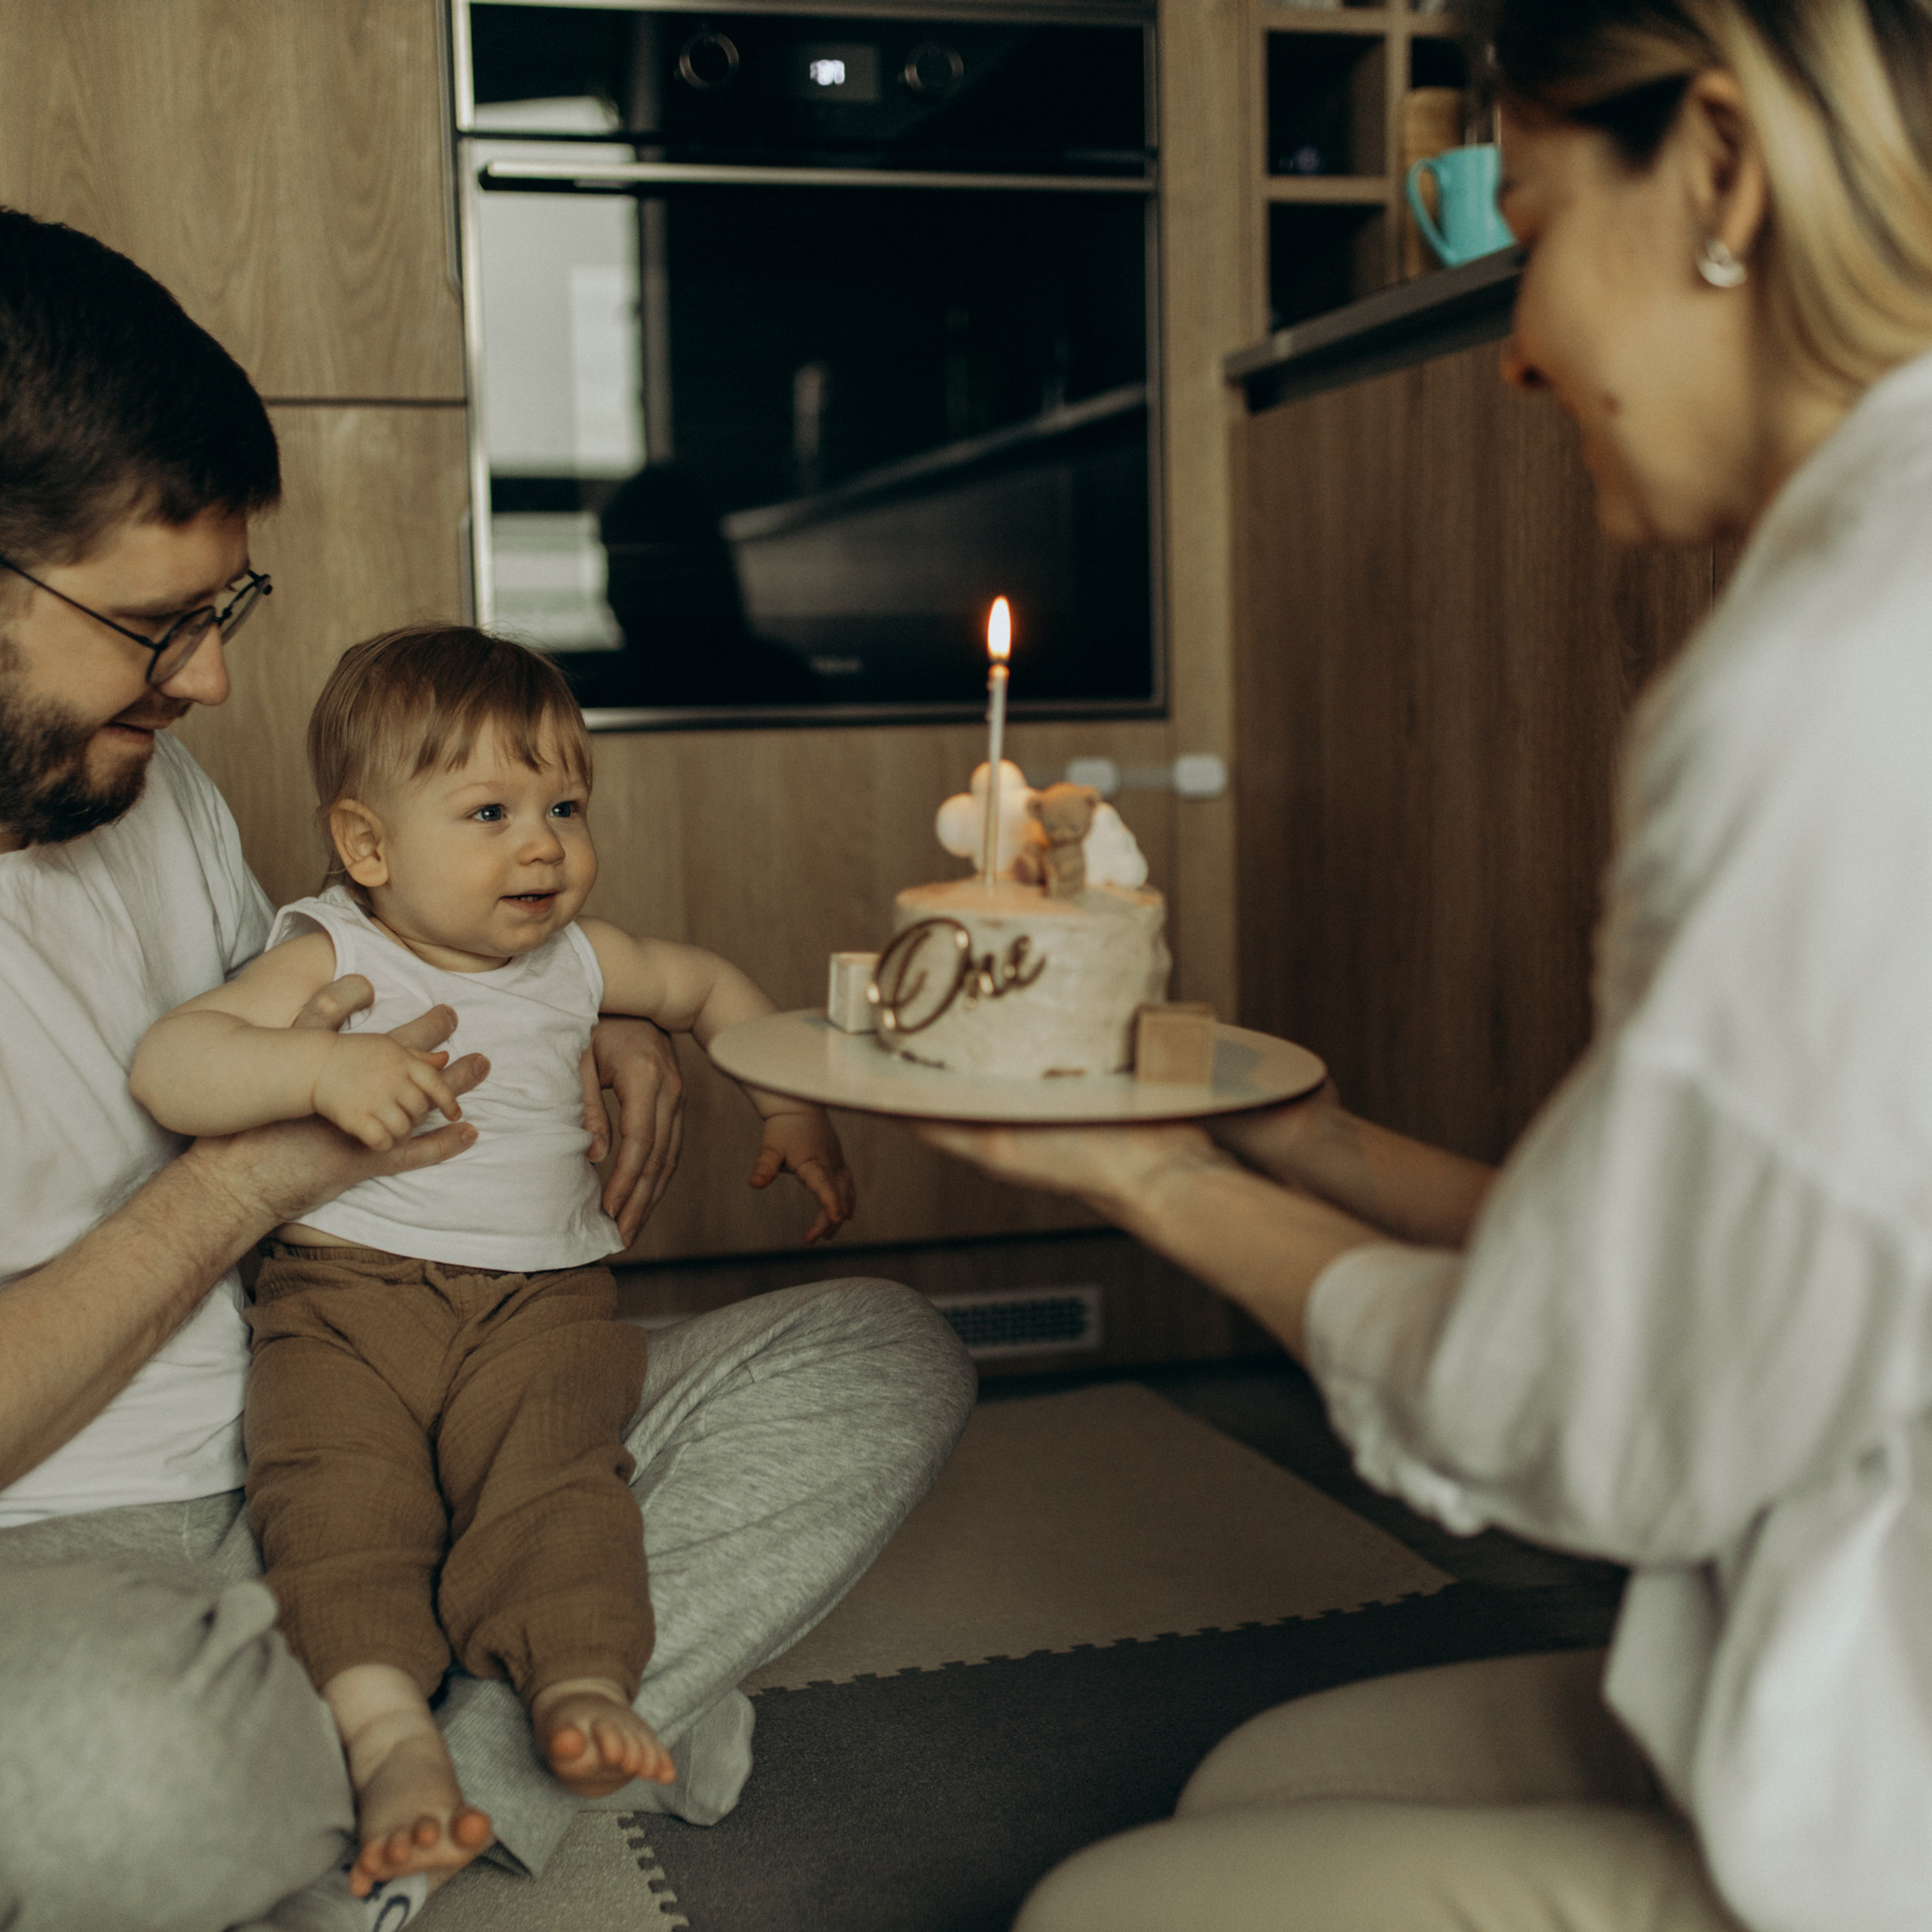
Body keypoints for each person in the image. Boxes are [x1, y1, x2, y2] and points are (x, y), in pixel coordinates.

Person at [923, 2, 1932, 1927]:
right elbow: (1713, 1258)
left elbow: (1588, 1413)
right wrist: (1306, 1145)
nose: (1517, 352)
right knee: (1257, 1777)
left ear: (1719, 170)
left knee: (1096, 1914)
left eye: (1528, 227)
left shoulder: (1824, 691)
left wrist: (1146, 1172)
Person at [0, 207, 975, 1932]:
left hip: (415, 1377)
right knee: (107, 1782)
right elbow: (261, 1108)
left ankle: (417, 1757)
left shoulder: (141, 782)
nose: (212, 675)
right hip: (85, 1544)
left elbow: (345, 974)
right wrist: (245, 1180)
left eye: (226, 608)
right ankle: (479, 1722)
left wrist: (565, 991)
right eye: (158, 620)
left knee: (879, 1357)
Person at [130, 625, 858, 1898]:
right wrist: (317, 1066)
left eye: (565, 805)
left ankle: (580, 1684)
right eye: (490, 811)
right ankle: (391, 1742)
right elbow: (173, 1066)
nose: (544, 844)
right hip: (343, 1309)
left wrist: (790, 1106)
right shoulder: (331, 953)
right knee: (337, 1514)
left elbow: (714, 985)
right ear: (369, 847)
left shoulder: (581, 962)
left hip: (542, 1311)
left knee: (560, 1489)